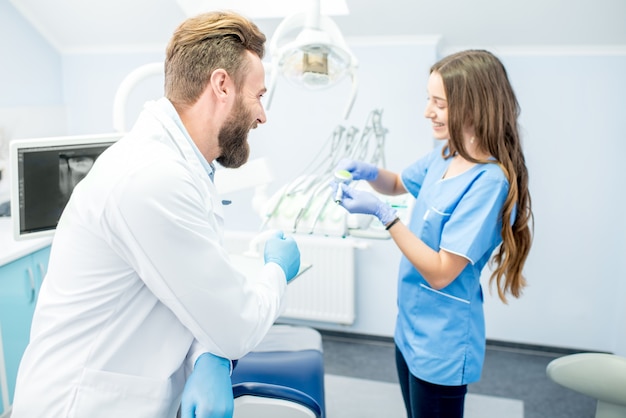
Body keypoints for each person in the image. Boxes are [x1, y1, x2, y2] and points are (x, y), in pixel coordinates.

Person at [12, 11, 301, 418]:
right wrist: (277, 271)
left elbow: (192, 289)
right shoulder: (151, 177)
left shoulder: (184, 168)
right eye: (259, 95)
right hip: (78, 405)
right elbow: (235, 326)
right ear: (222, 85)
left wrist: (206, 355)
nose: (261, 115)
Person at [331, 49, 533, 418]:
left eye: (439, 103)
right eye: (429, 100)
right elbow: (396, 183)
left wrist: (383, 215)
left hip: (443, 342)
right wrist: (365, 170)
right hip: (409, 325)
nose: (427, 111)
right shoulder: (446, 155)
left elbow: (441, 272)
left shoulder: (489, 182)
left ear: (474, 107)